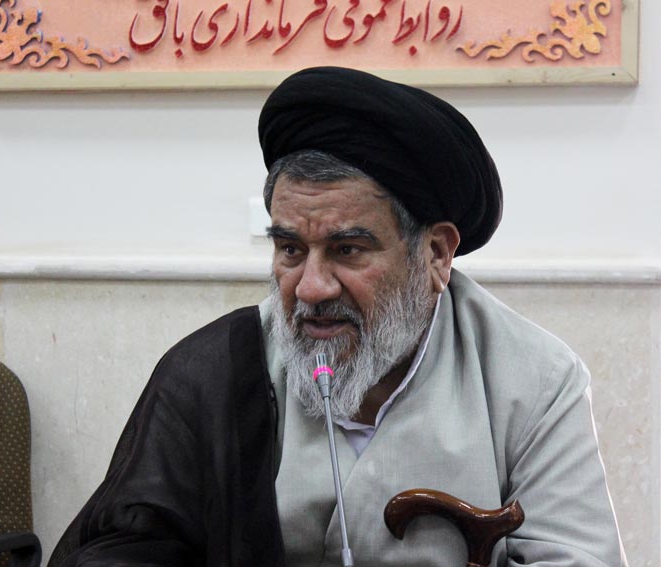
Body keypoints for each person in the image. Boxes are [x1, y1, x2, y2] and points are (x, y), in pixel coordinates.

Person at [50, 67, 627, 567]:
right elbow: (123, 546)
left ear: (435, 254)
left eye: (348, 250)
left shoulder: (536, 383)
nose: (311, 287)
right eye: (290, 249)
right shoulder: (213, 372)